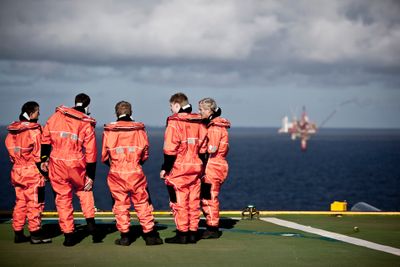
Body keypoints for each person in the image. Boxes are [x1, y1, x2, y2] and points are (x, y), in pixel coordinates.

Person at [102, 101, 163, 246]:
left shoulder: (109, 131)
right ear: (131, 112)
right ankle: (149, 236)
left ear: (116, 113)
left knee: (120, 205)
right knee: (142, 203)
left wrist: (115, 165)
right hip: (135, 171)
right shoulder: (140, 130)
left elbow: (104, 156)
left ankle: (125, 237)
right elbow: (145, 154)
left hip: (116, 172)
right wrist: (135, 163)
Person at [41, 93, 97, 246]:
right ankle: (91, 222)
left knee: (62, 198)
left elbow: (45, 138)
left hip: (57, 162)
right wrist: (91, 175)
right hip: (76, 162)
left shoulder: (56, 116)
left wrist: (43, 159)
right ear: (87, 106)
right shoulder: (86, 123)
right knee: (85, 189)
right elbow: (91, 153)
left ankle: (68, 235)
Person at [160, 92, 206, 244]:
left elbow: (170, 149)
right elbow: (203, 148)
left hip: (179, 169)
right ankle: (193, 232)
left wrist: (165, 169)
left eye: (171, 106)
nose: (170, 110)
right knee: (194, 202)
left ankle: (182, 234)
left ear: (177, 105)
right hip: (196, 166)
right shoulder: (199, 121)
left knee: (179, 202)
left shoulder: (174, 122)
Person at [5, 101, 52, 244]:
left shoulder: (12, 131)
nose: (39, 114)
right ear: (32, 113)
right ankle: (35, 234)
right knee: (35, 203)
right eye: (38, 112)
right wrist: (45, 173)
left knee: (20, 202)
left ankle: (18, 233)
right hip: (32, 173)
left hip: (17, 171)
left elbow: (12, 154)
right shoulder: (34, 131)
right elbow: (39, 156)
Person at [198, 98, 230, 239]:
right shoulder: (215, 125)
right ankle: (211, 224)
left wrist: (198, 148)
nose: (200, 113)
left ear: (209, 110)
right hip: (215, 165)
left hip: (213, 165)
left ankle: (212, 228)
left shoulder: (215, 127)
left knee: (209, 196)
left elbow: (212, 148)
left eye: (202, 110)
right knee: (207, 196)